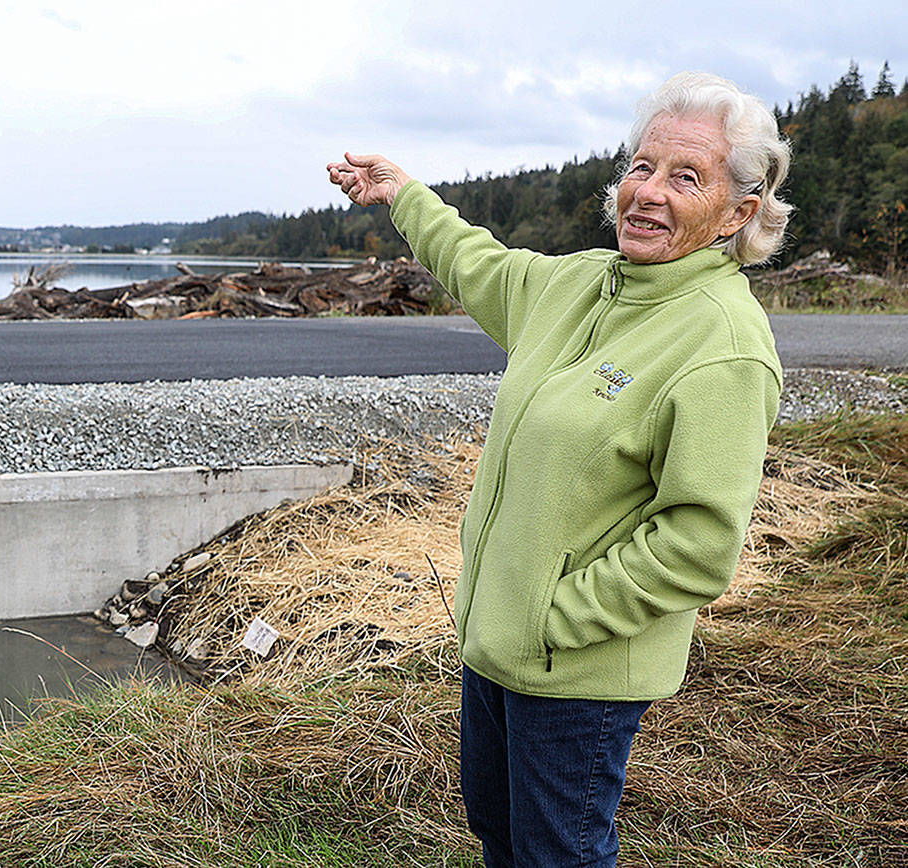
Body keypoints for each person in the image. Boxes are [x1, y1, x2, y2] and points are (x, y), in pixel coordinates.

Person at [327, 71, 790, 867]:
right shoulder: (579, 284)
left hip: (577, 669)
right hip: (497, 647)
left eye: (687, 176)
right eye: (641, 167)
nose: (647, 192)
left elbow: (699, 543)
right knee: (502, 839)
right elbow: (476, 262)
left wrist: (555, 618)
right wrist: (401, 192)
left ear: (739, 212)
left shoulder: (724, 345)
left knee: (559, 856)